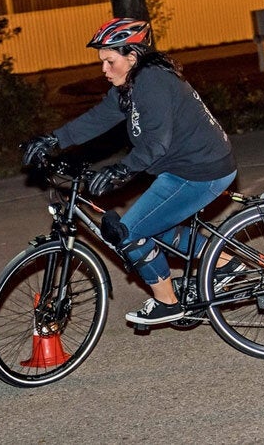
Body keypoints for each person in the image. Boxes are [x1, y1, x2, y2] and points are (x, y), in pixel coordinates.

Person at [21, 18, 241, 325]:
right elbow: (99, 117)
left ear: (132, 57)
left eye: (110, 61)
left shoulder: (152, 82)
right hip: (186, 168)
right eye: (102, 62)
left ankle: (167, 303)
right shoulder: (132, 84)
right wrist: (53, 139)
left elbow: (155, 144)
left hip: (200, 171)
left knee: (129, 234)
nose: (104, 70)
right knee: (157, 227)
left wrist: (119, 170)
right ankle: (226, 264)